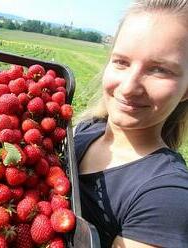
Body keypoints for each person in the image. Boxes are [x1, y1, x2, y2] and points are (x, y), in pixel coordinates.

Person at [73, 0, 188, 247]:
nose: (128, 87)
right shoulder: (86, 130)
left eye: (159, 70)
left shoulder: (165, 196)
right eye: (122, 62)